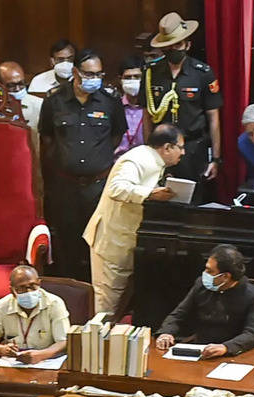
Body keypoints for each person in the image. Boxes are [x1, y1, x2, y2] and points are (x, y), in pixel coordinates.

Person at [40, 49, 127, 281]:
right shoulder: (54, 101)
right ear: (76, 72)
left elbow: (116, 136)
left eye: (99, 74)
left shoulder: (110, 102)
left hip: (98, 186)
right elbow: (47, 138)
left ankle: (94, 293)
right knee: (67, 242)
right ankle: (69, 290)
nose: (94, 79)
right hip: (65, 186)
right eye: (89, 74)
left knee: (98, 242)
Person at [84, 123, 184, 314]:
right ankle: (98, 342)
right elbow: (117, 188)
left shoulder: (153, 162)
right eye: (180, 147)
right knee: (107, 304)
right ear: (167, 147)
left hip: (127, 239)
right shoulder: (138, 159)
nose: (183, 152)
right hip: (111, 240)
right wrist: (150, 193)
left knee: (120, 303)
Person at [144, 12, 223, 204]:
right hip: (161, 150)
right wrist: (147, 152)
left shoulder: (202, 73)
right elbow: (147, 115)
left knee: (193, 205)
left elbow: (213, 118)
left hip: (193, 148)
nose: (173, 50)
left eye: (177, 45)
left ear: (188, 44)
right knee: (161, 203)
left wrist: (216, 159)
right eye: (168, 47)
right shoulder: (151, 73)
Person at [155, 244, 254, 359]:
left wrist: (226, 347)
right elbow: (179, 314)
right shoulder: (201, 285)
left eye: (209, 271)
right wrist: (166, 332)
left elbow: (252, 334)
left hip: (232, 355)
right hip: (200, 349)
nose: (205, 273)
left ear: (225, 277)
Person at [0, 264, 71, 362]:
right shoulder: (1, 307)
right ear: (12, 290)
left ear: (39, 283)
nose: (28, 292)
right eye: (22, 288)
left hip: (47, 360)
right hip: (12, 361)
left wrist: (42, 355)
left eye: (32, 286)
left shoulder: (54, 303)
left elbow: (64, 341)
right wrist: (2, 349)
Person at [0, 61, 44, 133]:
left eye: (21, 83)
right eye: (11, 85)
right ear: (0, 85)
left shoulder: (39, 104)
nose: (17, 89)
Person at [115, 56, 147, 156]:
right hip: (116, 163)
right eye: (128, 77)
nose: (132, 80)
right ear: (120, 79)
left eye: (137, 77)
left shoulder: (152, 109)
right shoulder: (114, 107)